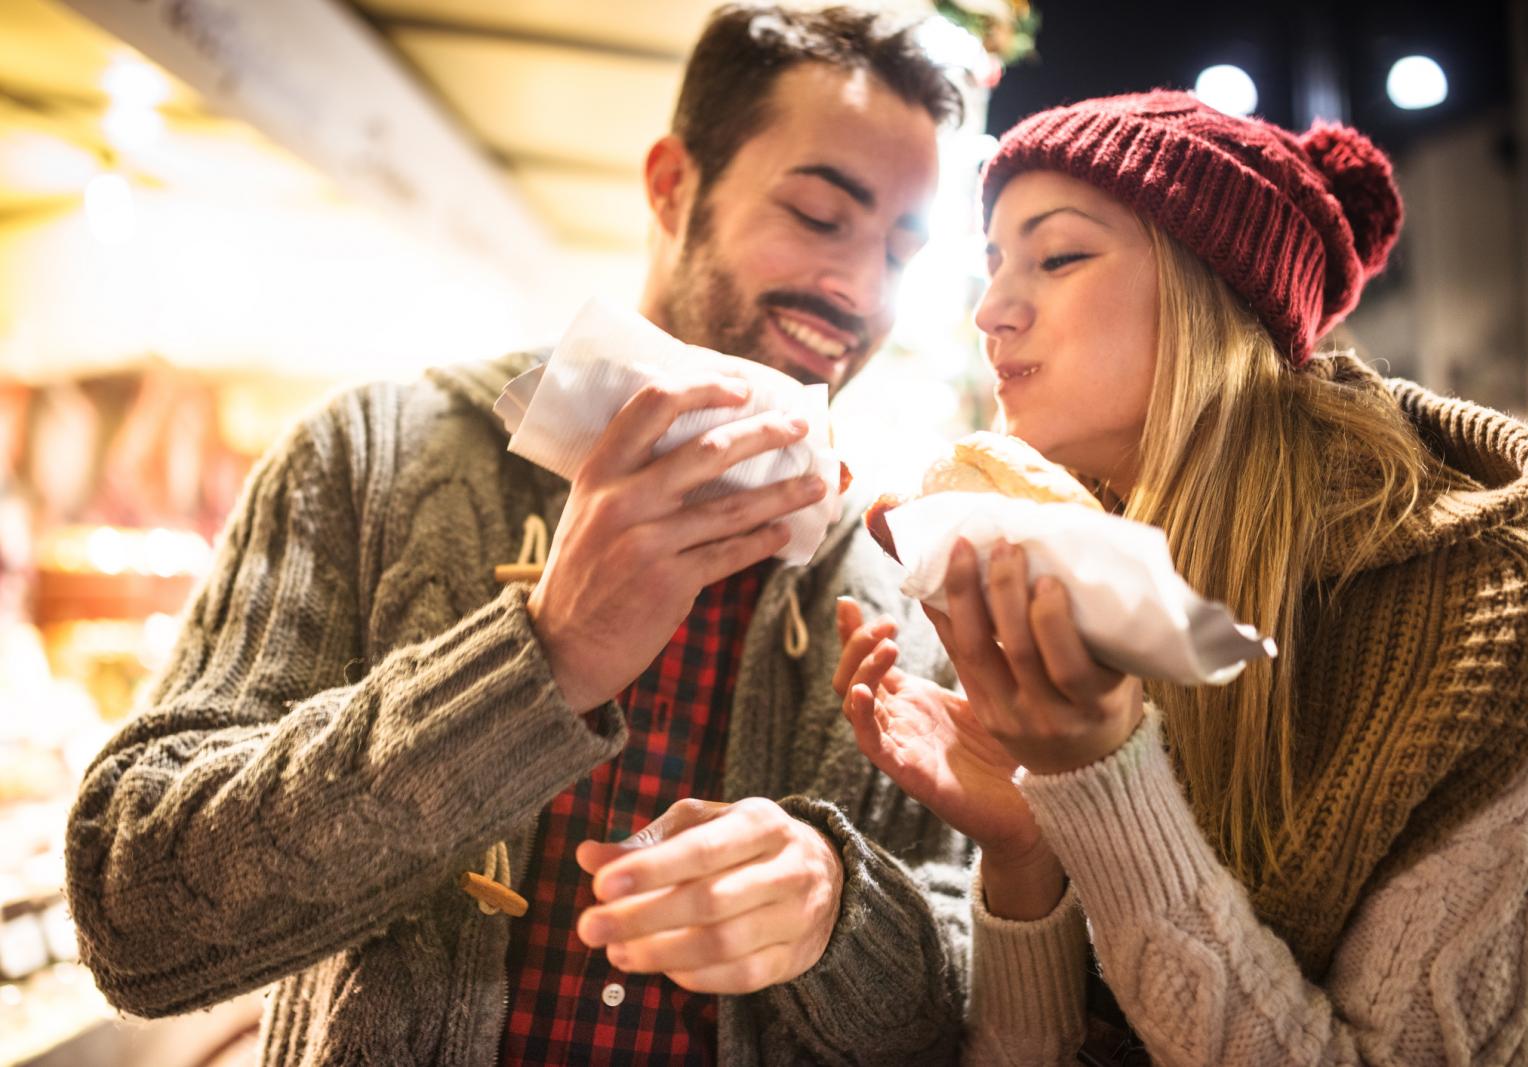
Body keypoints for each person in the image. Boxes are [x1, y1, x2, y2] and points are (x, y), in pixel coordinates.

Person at [65, 6, 976, 1065]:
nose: (859, 291)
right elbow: (135, 915)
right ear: (673, 185)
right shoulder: (372, 452)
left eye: (902, 252)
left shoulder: (896, 581)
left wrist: (838, 911)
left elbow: (969, 1007)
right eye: (820, 214)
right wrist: (542, 658)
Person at [835, 90, 1528, 1065]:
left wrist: (1106, 785)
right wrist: (1024, 851)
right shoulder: (1081, 585)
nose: (991, 310)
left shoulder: (1492, 627)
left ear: (1216, 293)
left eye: (1057, 256)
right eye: (991, 264)